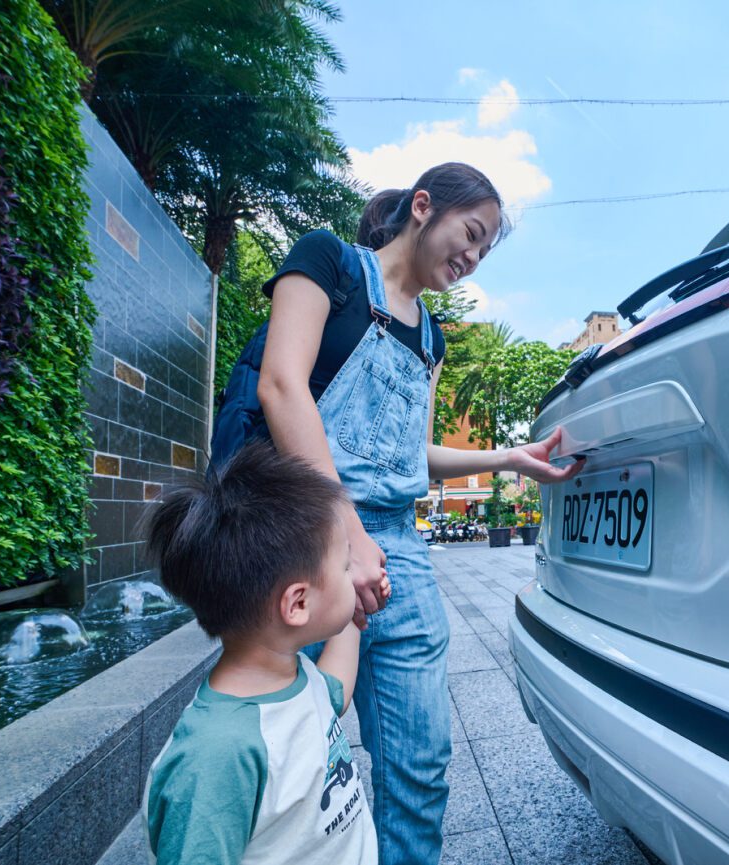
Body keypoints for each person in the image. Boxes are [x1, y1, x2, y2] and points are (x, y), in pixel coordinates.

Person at [219, 161, 582, 864]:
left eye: (485, 250)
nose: (473, 258)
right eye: (471, 234)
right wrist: (346, 534)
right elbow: (281, 385)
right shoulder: (327, 262)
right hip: (290, 536)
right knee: (274, 750)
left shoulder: (431, 339)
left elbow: (407, 453)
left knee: (419, 765)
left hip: (396, 551)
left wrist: (510, 458)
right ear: (424, 207)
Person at [141, 442, 376, 865]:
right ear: (297, 604)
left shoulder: (290, 674)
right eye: (345, 567)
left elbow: (333, 692)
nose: (352, 574)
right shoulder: (217, 757)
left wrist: (354, 613)